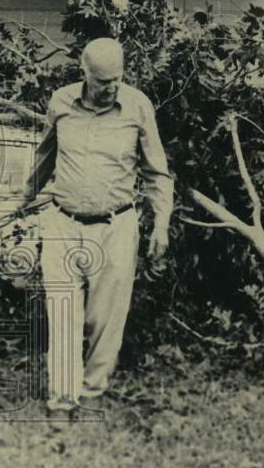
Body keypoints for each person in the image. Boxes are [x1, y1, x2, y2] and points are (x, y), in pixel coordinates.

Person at [20, 37, 174, 417]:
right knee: (63, 310)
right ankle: (62, 400)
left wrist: (161, 225)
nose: (112, 88)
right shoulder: (61, 102)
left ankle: (91, 393)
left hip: (116, 226)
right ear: (85, 73)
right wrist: (24, 197)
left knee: (104, 319)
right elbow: (45, 155)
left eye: (117, 79)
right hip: (62, 222)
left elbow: (157, 172)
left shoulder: (137, 106)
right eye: (103, 81)